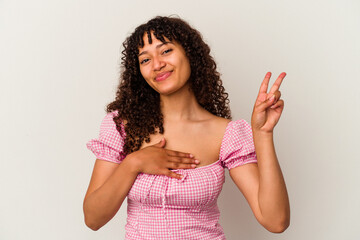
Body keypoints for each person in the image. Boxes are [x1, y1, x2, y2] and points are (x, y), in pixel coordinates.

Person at [83, 16, 290, 239]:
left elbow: (275, 221)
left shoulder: (226, 133)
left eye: (165, 51)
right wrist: (135, 162)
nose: (157, 64)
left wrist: (263, 134)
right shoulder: (122, 126)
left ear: (189, 54)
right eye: (145, 60)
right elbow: (93, 219)